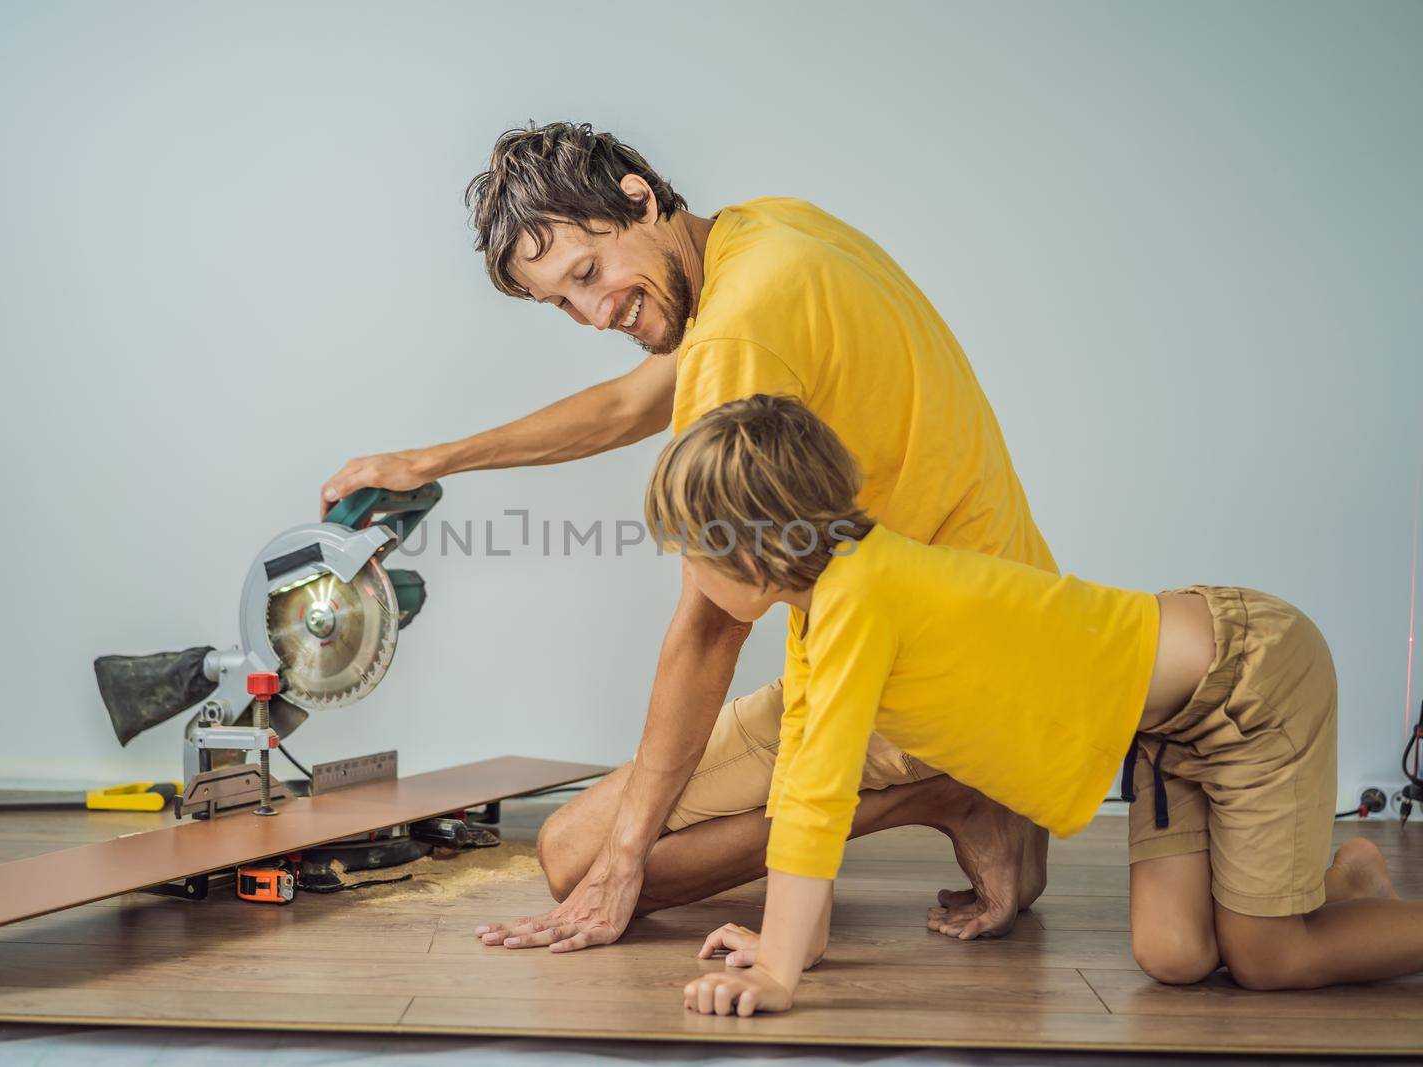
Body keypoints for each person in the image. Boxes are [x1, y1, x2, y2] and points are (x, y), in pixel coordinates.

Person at [321, 121, 1054, 949]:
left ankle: (948, 791)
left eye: (590, 273)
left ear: (637, 194)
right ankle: (962, 779)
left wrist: (623, 860)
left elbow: (710, 627)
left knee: (573, 851)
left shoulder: (741, 333)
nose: (593, 315)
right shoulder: (770, 235)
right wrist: (436, 459)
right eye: (562, 301)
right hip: (1005, 617)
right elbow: (638, 400)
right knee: (613, 834)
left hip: (932, 672)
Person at [646, 393, 1418, 1017]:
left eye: (688, 550)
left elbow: (818, 794)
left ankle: (1324, 914)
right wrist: (797, 941)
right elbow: (808, 775)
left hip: (1249, 677)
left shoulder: (861, 596)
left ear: (745, 553)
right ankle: (1348, 888)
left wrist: (779, 971)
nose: (685, 570)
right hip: (1166, 728)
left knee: (1266, 958)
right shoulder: (820, 604)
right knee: (1175, 957)